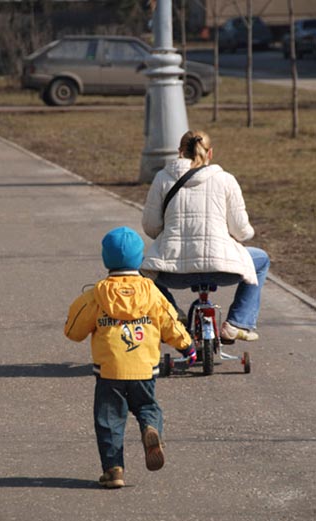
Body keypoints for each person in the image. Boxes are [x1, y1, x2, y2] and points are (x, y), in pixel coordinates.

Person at [64, 226, 195, 489]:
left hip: (109, 371)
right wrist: (187, 347)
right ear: (139, 259)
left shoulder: (97, 295)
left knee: (109, 420)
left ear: (106, 259)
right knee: (148, 406)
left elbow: (73, 331)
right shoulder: (152, 292)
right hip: (144, 369)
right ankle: (149, 427)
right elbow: (171, 322)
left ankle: (113, 470)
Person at [141, 130, 270, 343]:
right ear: (210, 153)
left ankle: (172, 315)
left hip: (175, 273)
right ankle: (238, 322)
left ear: (179, 152)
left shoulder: (162, 179)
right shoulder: (226, 179)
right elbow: (241, 231)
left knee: (141, 269)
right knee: (261, 260)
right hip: (221, 270)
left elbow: (151, 227)